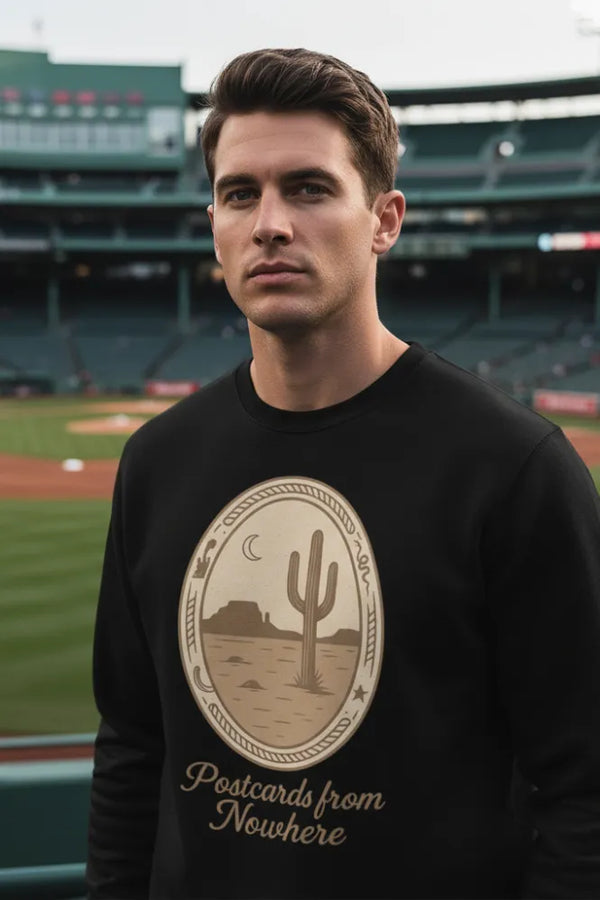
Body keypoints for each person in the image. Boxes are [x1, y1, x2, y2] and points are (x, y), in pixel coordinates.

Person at [86, 48, 600, 900]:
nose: (270, 223)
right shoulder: (157, 462)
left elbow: (584, 789)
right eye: (239, 193)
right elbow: (133, 745)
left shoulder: (513, 470)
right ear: (213, 219)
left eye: (310, 188)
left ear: (385, 219)